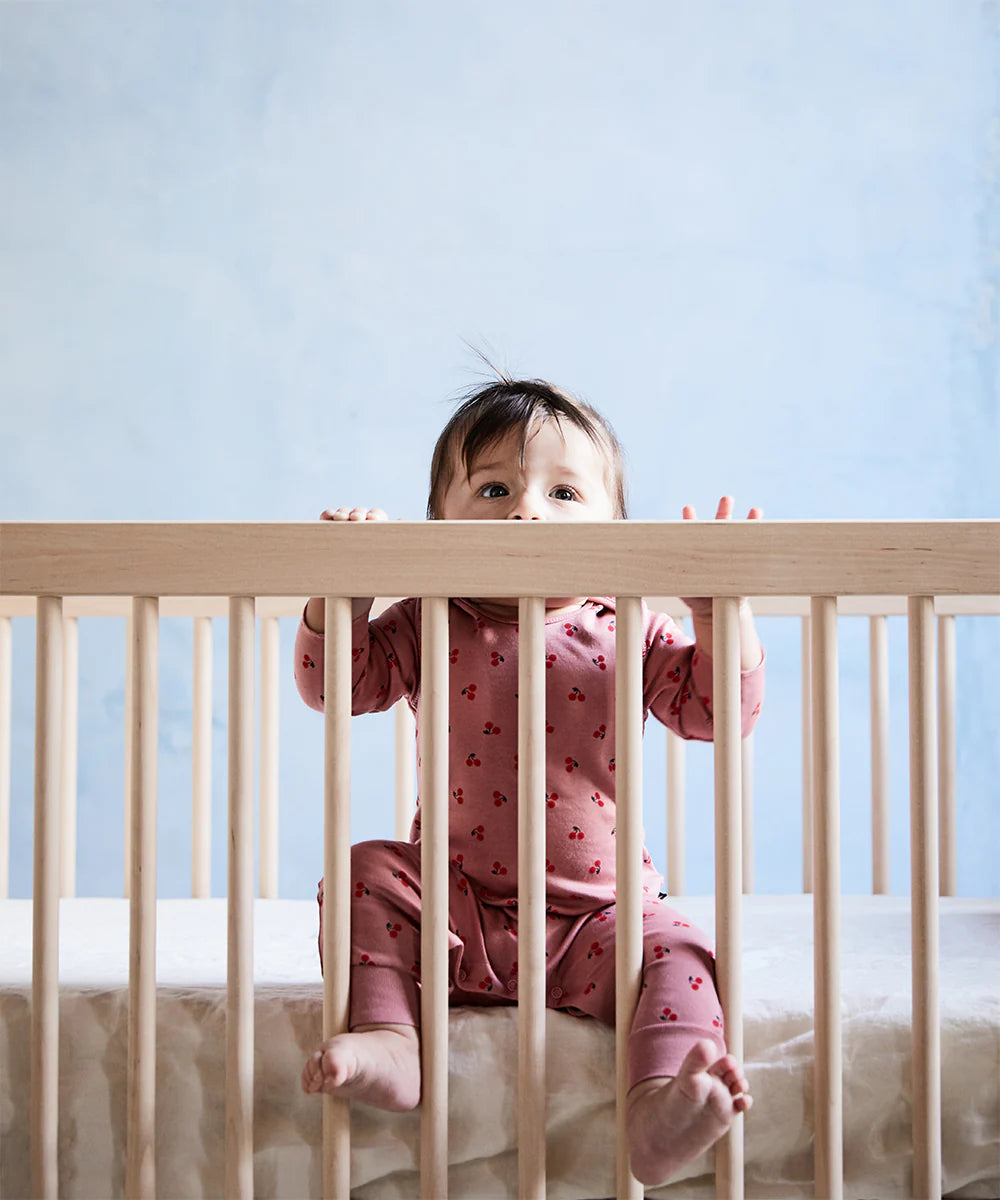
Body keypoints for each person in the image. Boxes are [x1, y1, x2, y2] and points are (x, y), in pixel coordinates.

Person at [294, 373, 764, 1186]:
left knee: (683, 947)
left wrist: (719, 615)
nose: (526, 511)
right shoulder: (428, 615)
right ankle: (392, 1039)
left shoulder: (630, 629)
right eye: (496, 488)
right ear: (439, 523)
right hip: (453, 918)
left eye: (564, 491)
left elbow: (716, 711)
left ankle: (661, 1104)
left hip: (600, 924)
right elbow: (337, 685)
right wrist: (346, 586)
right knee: (367, 871)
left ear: (615, 528)